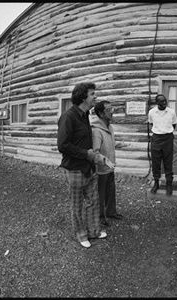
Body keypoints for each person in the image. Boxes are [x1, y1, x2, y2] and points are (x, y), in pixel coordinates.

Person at [57, 82, 114, 248]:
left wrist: (95, 156)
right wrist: (86, 154)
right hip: (74, 169)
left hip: (89, 167)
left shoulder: (85, 116)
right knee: (77, 205)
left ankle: (94, 231)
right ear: (83, 97)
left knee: (93, 201)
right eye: (92, 94)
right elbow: (63, 145)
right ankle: (81, 235)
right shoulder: (68, 117)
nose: (95, 97)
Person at [91, 100, 125, 227]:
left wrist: (120, 145)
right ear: (100, 113)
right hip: (101, 169)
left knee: (111, 190)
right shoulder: (96, 131)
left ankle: (111, 212)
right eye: (108, 110)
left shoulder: (109, 127)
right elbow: (95, 152)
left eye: (112, 109)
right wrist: (104, 161)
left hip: (110, 167)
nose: (112, 112)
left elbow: (108, 144)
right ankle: (100, 217)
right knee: (101, 193)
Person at [147, 94, 177, 195]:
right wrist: (159, 131)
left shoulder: (171, 112)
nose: (164, 103)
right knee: (156, 162)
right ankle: (156, 183)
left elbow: (174, 124)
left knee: (168, 162)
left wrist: (166, 131)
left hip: (168, 138)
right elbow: (152, 124)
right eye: (162, 101)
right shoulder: (151, 112)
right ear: (157, 103)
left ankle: (169, 184)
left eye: (165, 101)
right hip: (156, 138)